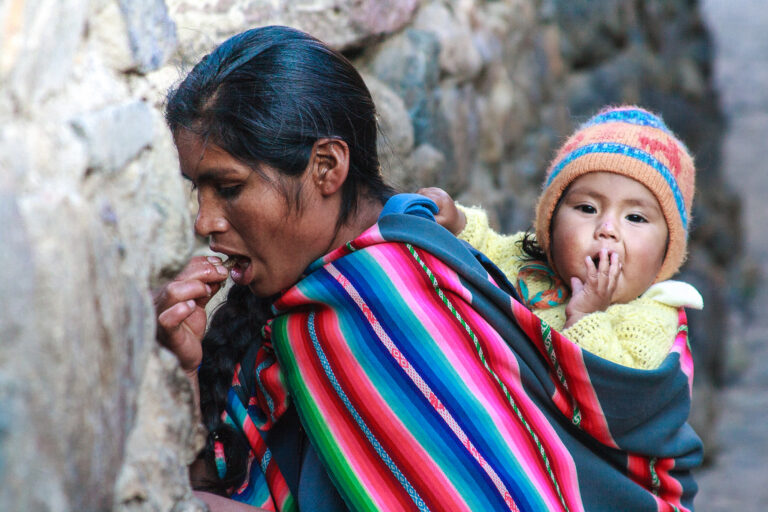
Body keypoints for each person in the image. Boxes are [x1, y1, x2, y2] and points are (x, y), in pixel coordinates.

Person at [155, 27, 702, 512]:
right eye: (197, 190)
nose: (206, 221)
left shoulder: (378, 298)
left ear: (327, 167)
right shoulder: (315, 295)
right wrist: (186, 367)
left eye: (229, 188)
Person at [421, 105, 703, 370]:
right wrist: (456, 221)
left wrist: (586, 317)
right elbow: (484, 249)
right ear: (551, 226)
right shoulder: (527, 261)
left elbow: (618, 393)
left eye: (635, 218)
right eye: (587, 208)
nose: (607, 228)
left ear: (666, 251)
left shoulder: (651, 318)